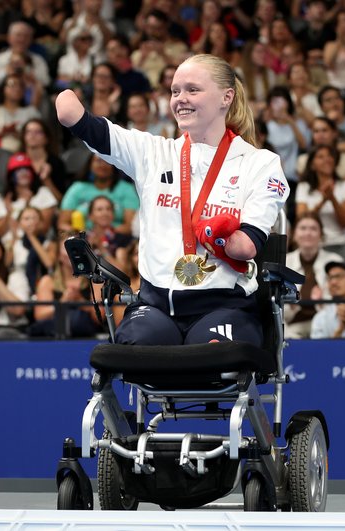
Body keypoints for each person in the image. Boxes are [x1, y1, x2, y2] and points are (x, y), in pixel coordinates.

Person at [55, 53, 289, 346]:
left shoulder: (260, 163)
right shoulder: (152, 152)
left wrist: (217, 236)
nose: (180, 99)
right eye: (175, 91)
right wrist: (68, 94)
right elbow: (70, 114)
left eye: (193, 89)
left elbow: (246, 247)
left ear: (226, 97)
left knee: (212, 363)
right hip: (156, 306)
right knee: (132, 353)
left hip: (223, 306)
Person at [285, 213, 344, 339]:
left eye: (313, 228)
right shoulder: (284, 262)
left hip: (326, 324)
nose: (308, 233)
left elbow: (342, 301)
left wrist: (321, 302)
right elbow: (276, 307)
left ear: (321, 235)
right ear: (294, 235)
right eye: (303, 228)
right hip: (292, 326)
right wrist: (291, 305)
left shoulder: (335, 261)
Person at [31, 233, 102, 338]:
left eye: (77, 248)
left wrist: (80, 301)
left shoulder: (94, 280)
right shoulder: (48, 281)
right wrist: (62, 303)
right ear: (59, 255)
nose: (73, 253)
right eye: (67, 248)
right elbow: (40, 316)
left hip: (86, 336)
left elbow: (101, 317)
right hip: (54, 336)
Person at [295, 145, 345, 246]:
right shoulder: (303, 187)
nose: (327, 159)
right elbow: (301, 220)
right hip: (311, 243)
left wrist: (332, 198)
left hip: (339, 243)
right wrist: (323, 201)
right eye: (320, 157)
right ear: (312, 165)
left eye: (330, 156)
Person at [0, 152, 58, 238]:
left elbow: (43, 229)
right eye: (19, 170)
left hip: (35, 246)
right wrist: (9, 214)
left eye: (26, 169)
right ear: (11, 176)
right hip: (7, 247)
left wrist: (27, 206)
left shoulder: (43, 193)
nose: (23, 173)